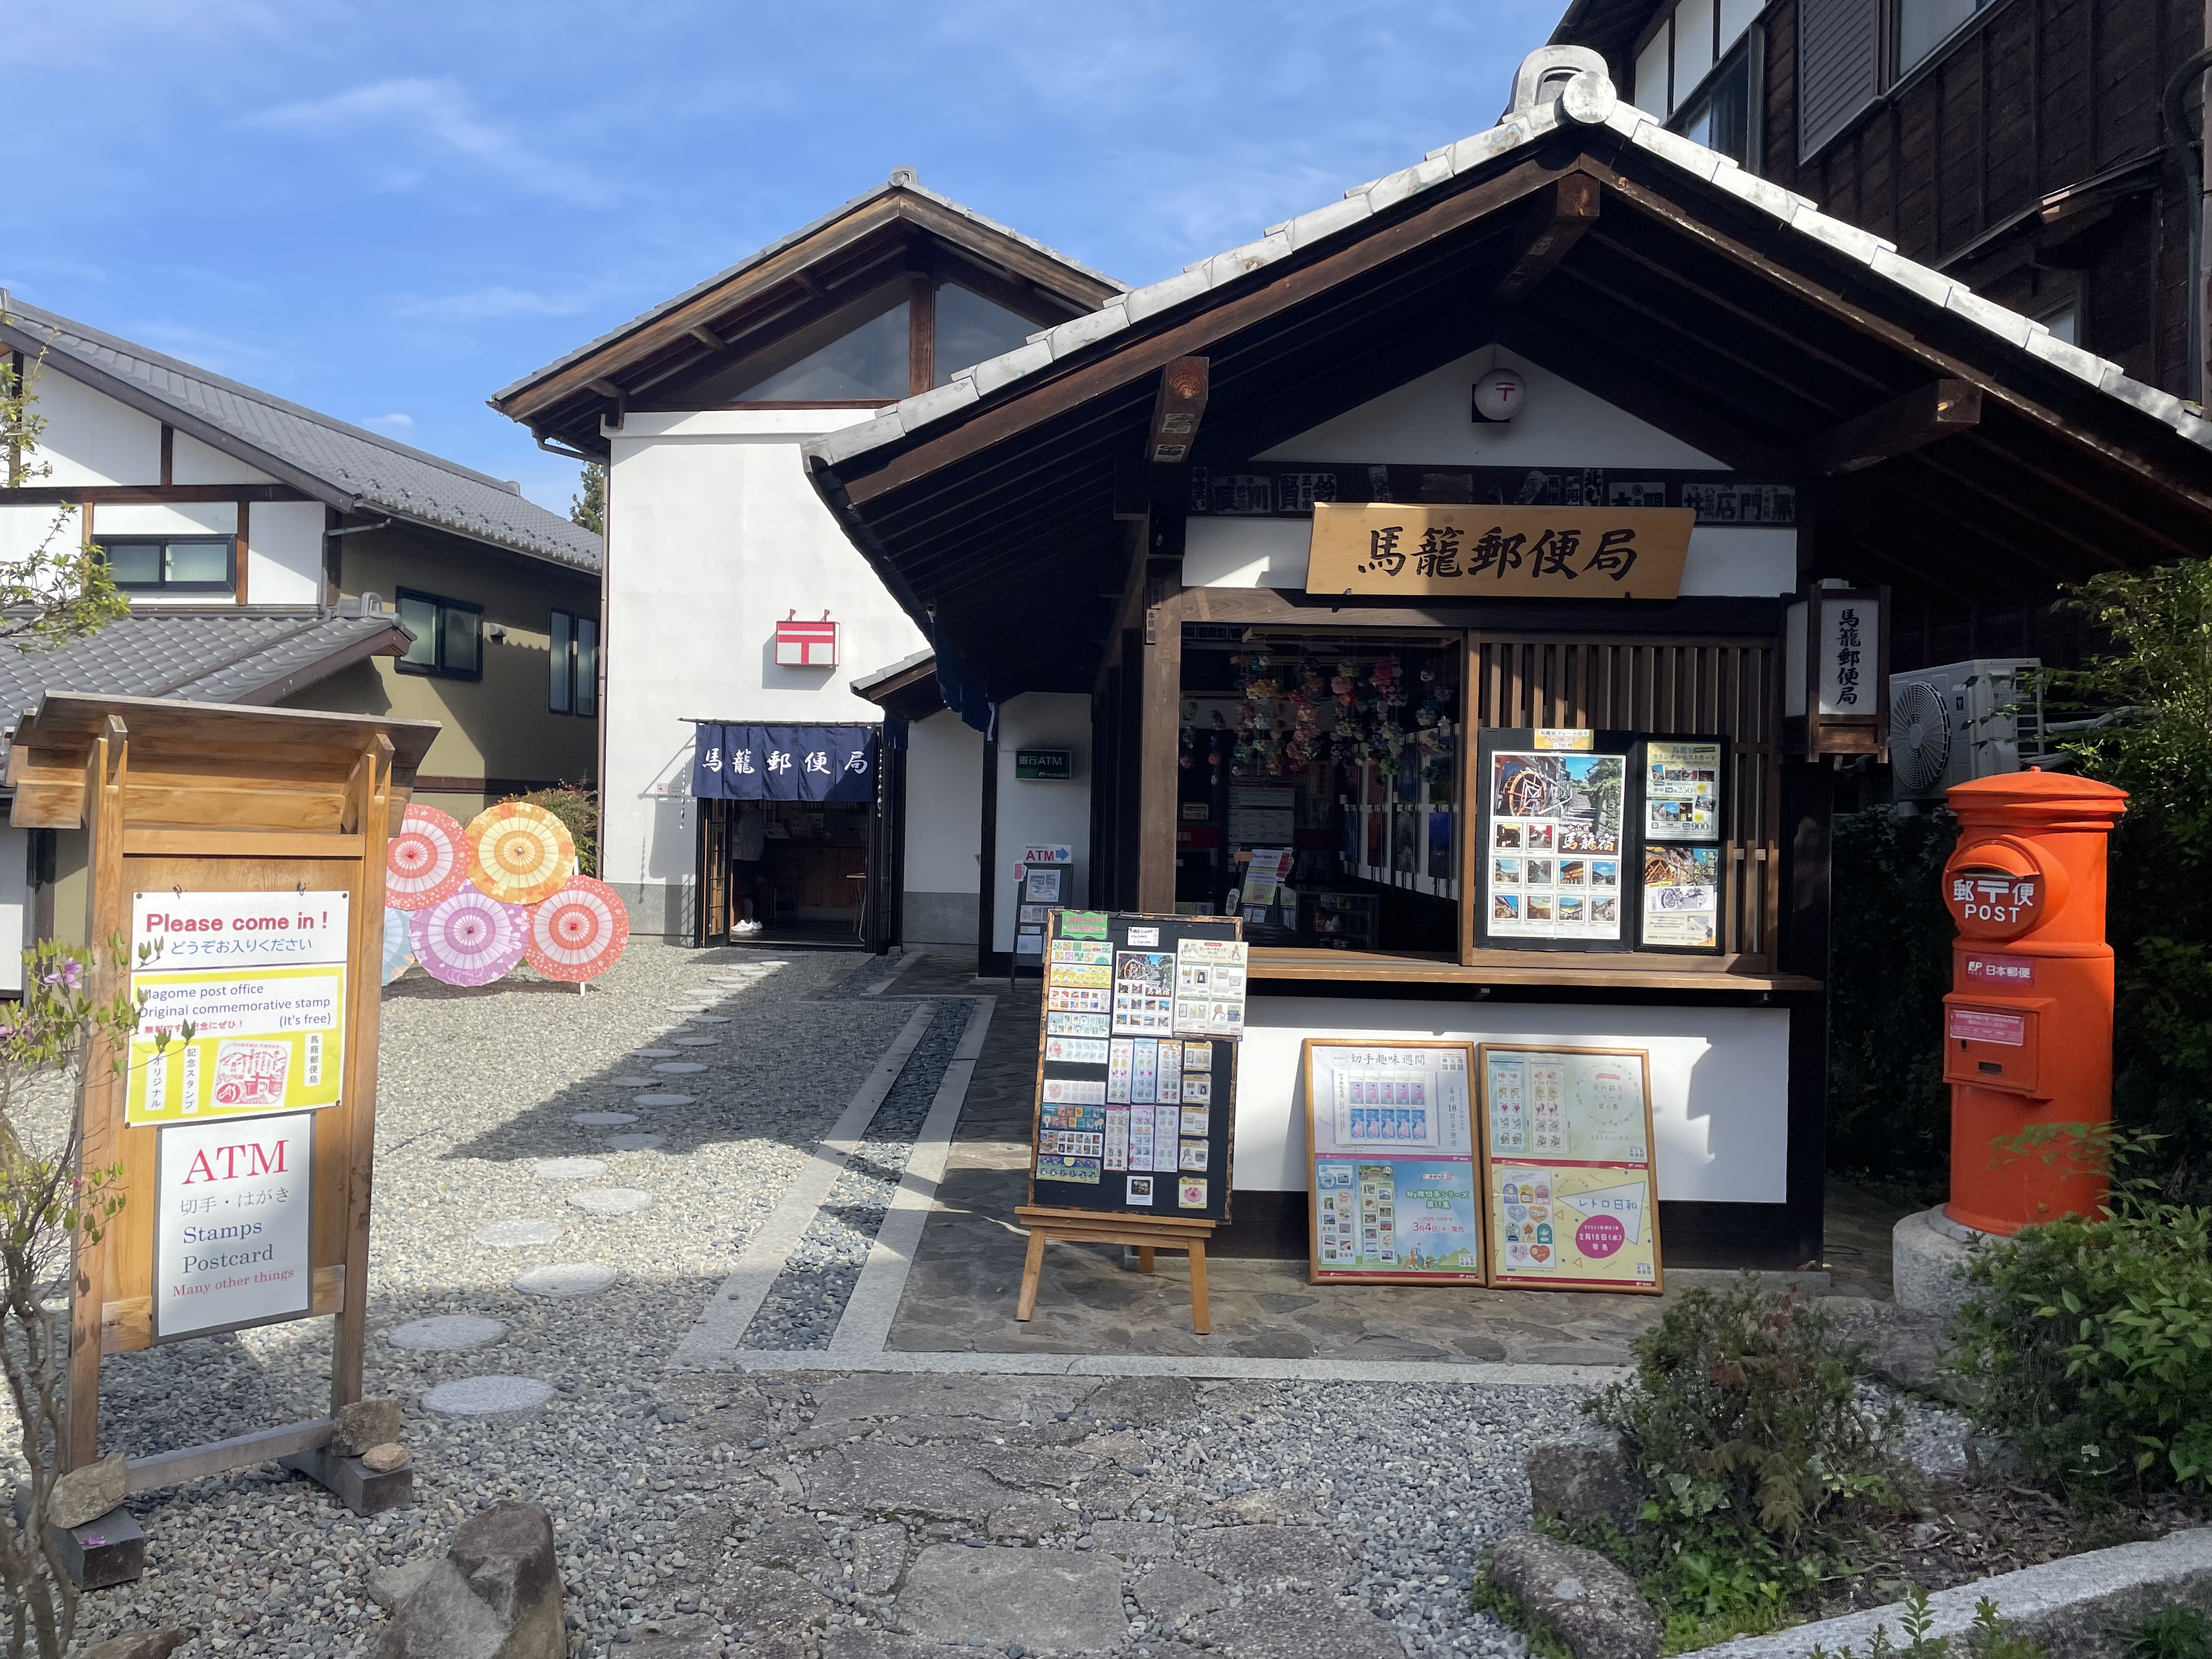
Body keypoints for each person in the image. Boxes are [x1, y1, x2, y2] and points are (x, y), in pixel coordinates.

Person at [731, 802, 768, 936]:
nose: (742, 805)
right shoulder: (758, 815)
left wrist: (725, 832)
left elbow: (739, 837)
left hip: (743, 856)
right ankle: (755, 920)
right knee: (752, 888)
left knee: (744, 889)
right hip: (754, 856)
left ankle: (747, 920)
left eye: (744, 802)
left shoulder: (748, 816)